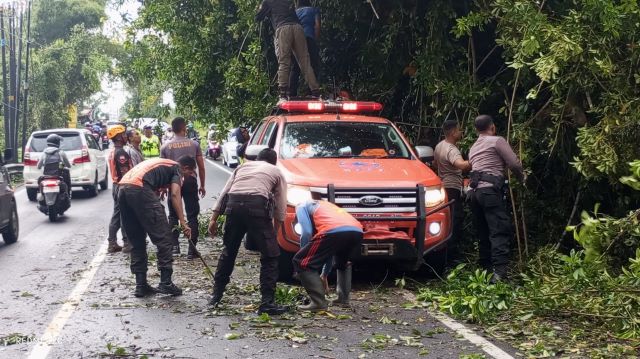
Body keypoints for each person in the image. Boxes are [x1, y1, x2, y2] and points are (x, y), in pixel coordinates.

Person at [207, 148, 288, 315]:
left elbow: (225, 193)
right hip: (257, 207)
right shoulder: (276, 171)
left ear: (257, 158)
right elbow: (280, 204)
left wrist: (213, 219)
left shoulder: (243, 167)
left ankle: (215, 296)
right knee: (270, 256)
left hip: (233, 206)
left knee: (228, 252)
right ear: (273, 161)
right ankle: (267, 303)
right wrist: (275, 232)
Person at [118, 156, 195, 297]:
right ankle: (166, 283)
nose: (188, 177)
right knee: (165, 238)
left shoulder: (160, 165)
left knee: (136, 240)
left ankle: (141, 286)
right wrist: (183, 222)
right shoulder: (176, 168)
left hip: (122, 189)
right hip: (139, 188)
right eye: (190, 173)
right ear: (185, 168)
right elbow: (175, 194)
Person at [468, 115, 524, 282]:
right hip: (490, 193)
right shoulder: (496, 141)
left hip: (474, 194)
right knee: (499, 230)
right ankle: (499, 274)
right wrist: (522, 178)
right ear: (492, 127)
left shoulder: (473, 148)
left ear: (477, 130)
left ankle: (484, 272)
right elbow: (514, 164)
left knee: (483, 232)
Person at [293, 200, 363, 311]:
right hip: (356, 230)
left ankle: (319, 303)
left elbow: (306, 232)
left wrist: (304, 255)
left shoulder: (301, 205)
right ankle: (343, 299)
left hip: (333, 230)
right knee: (342, 263)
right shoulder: (326, 206)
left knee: (301, 261)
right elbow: (329, 251)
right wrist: (324, 275)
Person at [256, 0, 320, 103]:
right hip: (298, 28)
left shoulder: (267, 1)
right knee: (305, 62)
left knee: (284, 62)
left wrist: (260, 7)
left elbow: (258, 17)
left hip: (283, 28)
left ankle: (282, 95)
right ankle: (316, 92)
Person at [160, 117, 207, 259]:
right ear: (184, 128)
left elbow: (163, 167)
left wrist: (163, 187)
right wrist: (202, 185)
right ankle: (192, 250)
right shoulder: (194, 144)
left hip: (172, 182)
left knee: (173, 214)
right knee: (192, 214)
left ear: (173, 129)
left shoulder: (165, 147)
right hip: (190, 180)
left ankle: (174, 247)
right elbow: (201, 166)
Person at [434, 120, 471, 264]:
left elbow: (435, 164)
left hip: (443, 184)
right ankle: (451, 257)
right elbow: (461, 165)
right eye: (459, 130)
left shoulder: (439, 146)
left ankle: (443, 253)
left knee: (447, 220)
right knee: (455, 220)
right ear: (452, 132)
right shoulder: (451, 149)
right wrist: (477, 159)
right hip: (452, 187)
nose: (461, 133)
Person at [106, 125, 133, 254]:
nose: (125, 136)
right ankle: (127, 243)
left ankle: (112, 243)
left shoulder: (112, 151)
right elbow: (126, 173)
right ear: (118, 137)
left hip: (116, 185)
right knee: (124, 215)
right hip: (123, 186)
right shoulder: (121, 153)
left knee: (117, 214)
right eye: (123, 134)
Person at [289, 0, 321, 97]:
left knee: (295, 67)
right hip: (309, 38)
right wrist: (315, 40)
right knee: (312, 65)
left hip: (296, 40)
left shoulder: (295, 12)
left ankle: (292, 93)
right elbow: (317, 26)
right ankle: (311, 92)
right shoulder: (314, 10)